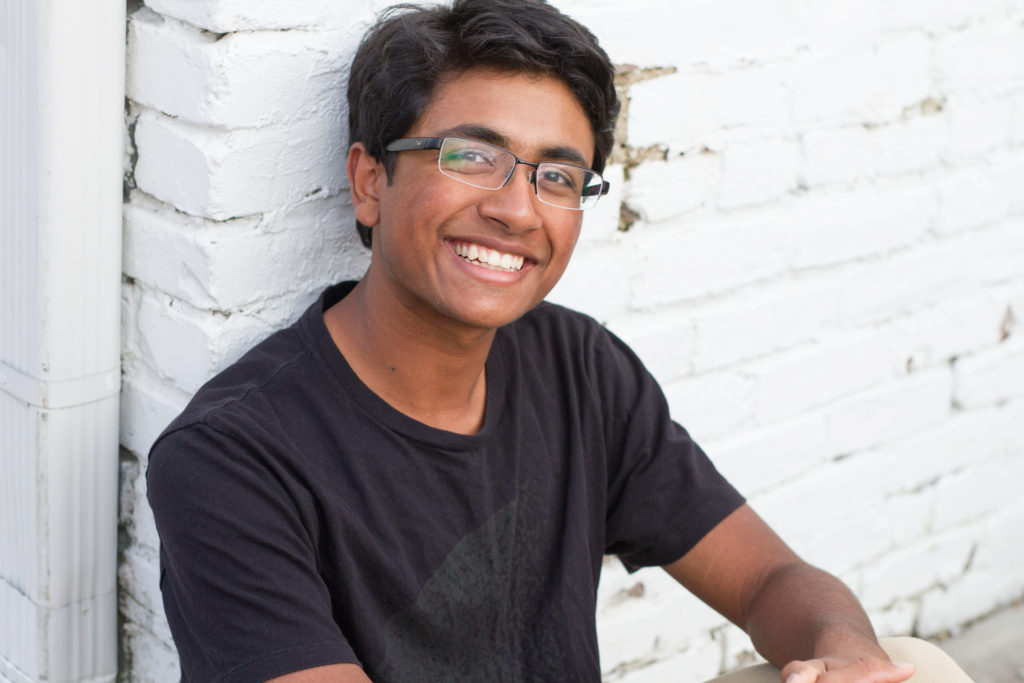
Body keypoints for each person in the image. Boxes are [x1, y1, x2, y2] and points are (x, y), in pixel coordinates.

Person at [146, 1, 974, 682]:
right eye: (473, 156)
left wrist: (845, 653)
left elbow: (769, 577)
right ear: (370, 181)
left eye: (557, 176)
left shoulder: (577, 367)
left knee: (916, 667)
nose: (516, 209)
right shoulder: (231, 458)